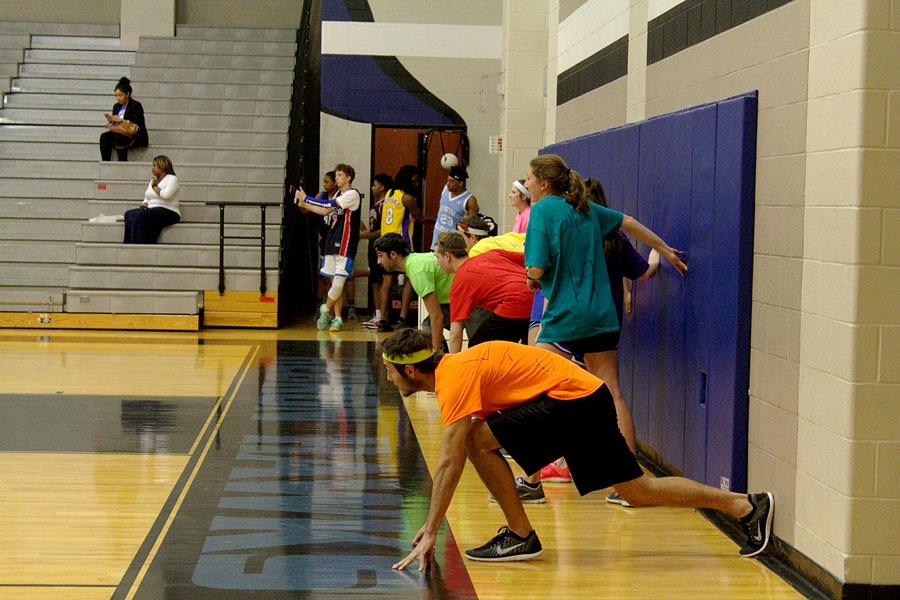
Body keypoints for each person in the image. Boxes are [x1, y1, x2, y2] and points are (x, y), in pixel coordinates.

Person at [381, 329, 775, 571]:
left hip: (574, 400)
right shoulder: (458, 368)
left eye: (389, 370)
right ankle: (745, 506)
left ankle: (521, 534)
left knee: (475, 440)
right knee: (636, 492)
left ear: (410, 370)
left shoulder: (455, 379)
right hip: (583, 397)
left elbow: (450, 462)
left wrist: (431, 530)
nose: (387, 376)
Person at [435, 232, 532, 352]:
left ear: (447, 256)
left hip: (514, 304)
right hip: (536, 297)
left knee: (478, 350)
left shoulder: (459, 281)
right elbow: (529, 259)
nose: (437, 263)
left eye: (437, 257)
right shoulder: (491, 254)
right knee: (527, 351)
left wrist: (454, 364)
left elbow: (456, 333)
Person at [294, 163, 361, 332]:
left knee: (339, 282)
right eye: (336, 175)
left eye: (339, 175)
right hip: (331, 241)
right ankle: (336, 318)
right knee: (332, 281)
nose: (336, 178)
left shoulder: (352, 194)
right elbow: (324, 212)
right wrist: (305, 205)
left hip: (345, 243)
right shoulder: (338, 193)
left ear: (348, 178)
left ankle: (325, 309)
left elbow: (326, 204)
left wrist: (307, 197)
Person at [374, 233, 453, 354]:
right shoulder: (414, 261)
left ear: (393, 254)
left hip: (472, 299)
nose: (378, 261)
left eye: (380, 256)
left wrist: (434, 354)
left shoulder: (417, 270)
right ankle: (441, 357)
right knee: (428, 325)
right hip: (455, 300)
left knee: (431, 325)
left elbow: (437, 317)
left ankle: (437, 357)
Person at [381, 165, 426, 330]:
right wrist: (437, 220)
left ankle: (383, 319)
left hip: (385, 241)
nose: (415, 184)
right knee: (410, 278)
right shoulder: (408, 198)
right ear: (407, 180)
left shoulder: (389, 193)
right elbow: (419, 219)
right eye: (414, 181)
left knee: (387, 282)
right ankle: (402, 317)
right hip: (401, 242)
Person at [123, 155, 179, 244]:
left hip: (169, 210)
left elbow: (166, 195)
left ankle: (141, 244)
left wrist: (154, 185)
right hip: (152, 210)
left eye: (154, 166)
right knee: (129, 214)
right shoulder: (153, 180)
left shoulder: (172, 179)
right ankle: (129, 244)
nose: (152, 168)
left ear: (162, 166)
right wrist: (144, 203)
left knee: (143, 214)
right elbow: (147, 197)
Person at [361, 173, 393, 330]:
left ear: (382, 187)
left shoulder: (387, 205)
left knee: (385, 281)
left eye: (375, 185)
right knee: (374, 281)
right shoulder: (375, 205)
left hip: (382, 246)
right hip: (372, 247)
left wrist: (361, 236)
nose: (372, 187)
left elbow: (382, 230)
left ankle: (384, 316)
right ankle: (378, 314)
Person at [429, 166, 479, 249]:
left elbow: (472, 225)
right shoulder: (445, 189)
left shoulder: (469, 200)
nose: (448, 184)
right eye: (448, 180)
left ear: (460, 183)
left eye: (452, 181)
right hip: (437, 237)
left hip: (452, 241)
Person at [100, 77, 148, 162]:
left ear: (127, 94)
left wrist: (120, 121)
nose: (118, 98)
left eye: (120, 95)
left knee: (120, 137)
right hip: (120, 131)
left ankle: (122, 163)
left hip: (134, 134)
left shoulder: (136, 105)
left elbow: (137, 125)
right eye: (116, 96)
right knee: (104, 137)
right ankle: (105, 162)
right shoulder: (116, 106)